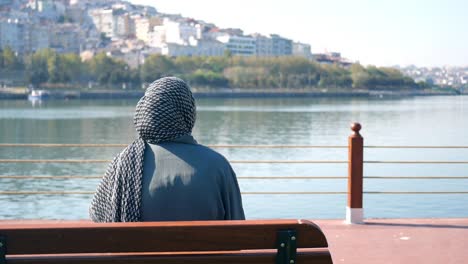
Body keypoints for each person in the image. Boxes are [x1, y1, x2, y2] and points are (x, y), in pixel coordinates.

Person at [90, 77, 245, 222]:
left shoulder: (123, 164)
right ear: (188, 113)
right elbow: (238, 228)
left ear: (145, 111)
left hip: (138, 251)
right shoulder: (218, 166)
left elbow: (97, 215)